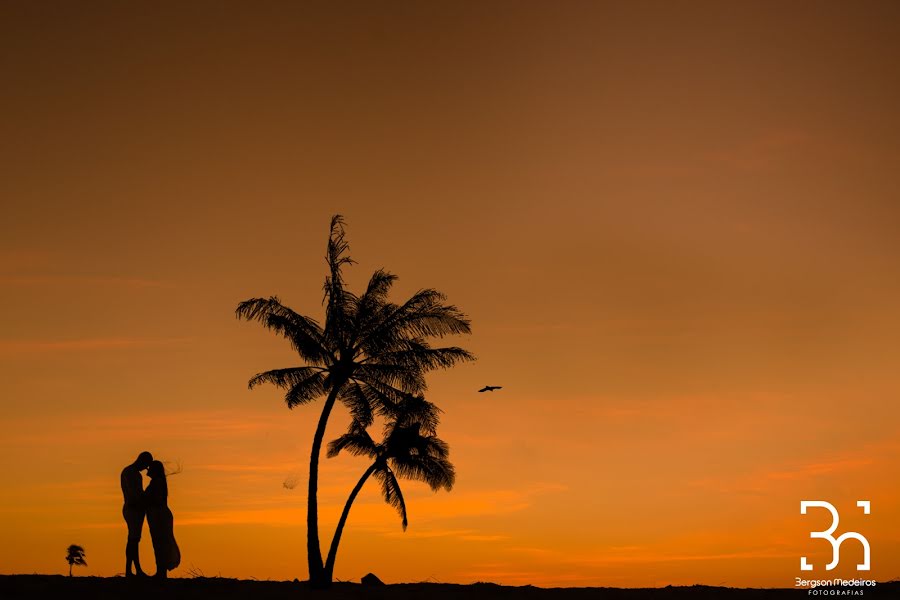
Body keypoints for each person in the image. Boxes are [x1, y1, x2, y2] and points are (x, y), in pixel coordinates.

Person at [145, 460, 180, 578]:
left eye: (149, 468)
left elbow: (153, 500)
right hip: (158, 514)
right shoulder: (157, 482)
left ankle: (161, 571)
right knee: (160, 542)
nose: (147, 470)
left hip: (159, 515)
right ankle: (161, 571)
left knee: (160, 542)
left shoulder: (156, 483)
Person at [121, 451, 153, 577]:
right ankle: (132, 570)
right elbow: (135, 494)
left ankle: (133, 569)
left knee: (134, 540)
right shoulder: (130, 473)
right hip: (132, 509)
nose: (145, 469)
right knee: (133, 540)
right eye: (146, 465)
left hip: (136, 509)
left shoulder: (132, 473)